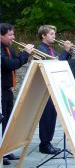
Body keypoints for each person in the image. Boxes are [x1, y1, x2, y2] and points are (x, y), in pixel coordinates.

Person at [1, 23, 34, 165]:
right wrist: (25, 53)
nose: (13, 38)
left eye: (13, 34)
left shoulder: (8, 48)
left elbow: (16, 61)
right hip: (0, 91)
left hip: (7, 90)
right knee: (2, 122)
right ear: (1, 35)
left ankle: (5, 151)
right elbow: (9, 64)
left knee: (8, 122)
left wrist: (26, 56)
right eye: (10, 35)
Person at [37, 25, 73, 154]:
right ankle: (44, 144)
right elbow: (54, 64)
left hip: (53, 87)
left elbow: (62, 61)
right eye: (51, 34)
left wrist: (68, 52)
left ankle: (48, 142)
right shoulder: (41, 49)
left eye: (54, 34)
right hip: (45, 89)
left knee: (52, 115)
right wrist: (65, 51)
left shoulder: (50, 49)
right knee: (46, 117)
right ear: (43, 35)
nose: (54, 36)